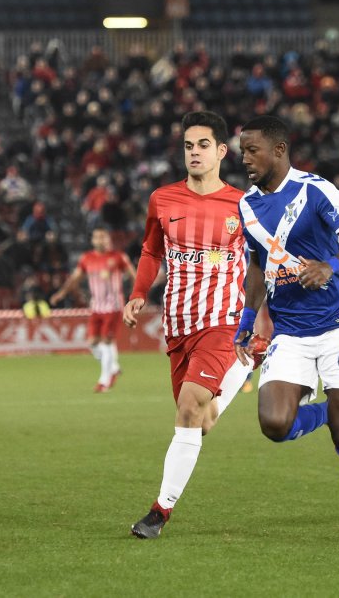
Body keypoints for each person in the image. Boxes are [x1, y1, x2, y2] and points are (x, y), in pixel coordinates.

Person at [232, 115, 339, 544]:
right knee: (275, 424)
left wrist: (330, 265)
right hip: (290, 332)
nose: (245, 158)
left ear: (279, 150)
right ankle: (328, 413)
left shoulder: (316, 190)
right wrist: (246, 321)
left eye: (252, 150)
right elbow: (257, 267)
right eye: (242, 151)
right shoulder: (248, 205)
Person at [122, 111, 254, 539]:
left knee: (189, 406)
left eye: (202, 145)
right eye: (187, 145)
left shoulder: (244, 205)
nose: (193, 153)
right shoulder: (163, 198)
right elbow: (150, 250)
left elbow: (266, 260)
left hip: (223, 321)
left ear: (220, 152)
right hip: (178, 325)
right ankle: (251, 362)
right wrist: (138, 292)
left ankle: (159, 512)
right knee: (202, 418)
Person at [50, 227, 135, 392]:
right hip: (96, 307)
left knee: (106, 341)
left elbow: (134, 276)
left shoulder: (118, 257)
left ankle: (105, 381)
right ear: (93, 240)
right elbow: (75, 278)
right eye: (97, 238)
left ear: (108, 240)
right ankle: (114, 366)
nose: (100, 241)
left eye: (103, 237)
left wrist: (136, 297)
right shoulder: (87, 258)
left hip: (113, 307)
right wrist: (61, 294)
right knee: (93, 343)